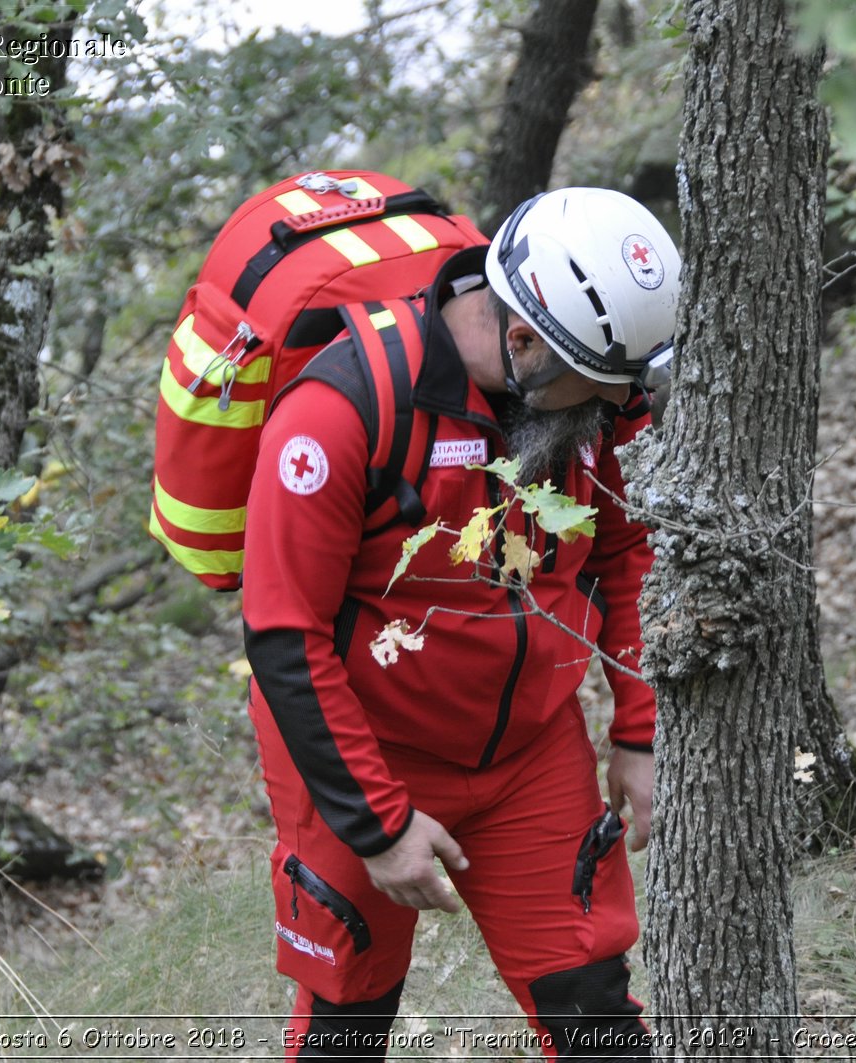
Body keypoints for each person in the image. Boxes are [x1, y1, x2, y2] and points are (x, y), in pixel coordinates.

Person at [242, 187, 680, 1060]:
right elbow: (285, 635)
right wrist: (378, 822)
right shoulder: (340, 411)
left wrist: (640, 726)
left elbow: (624, 554)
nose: (613, 410)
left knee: (595, 1014)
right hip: (367, 750)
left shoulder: (587, 388)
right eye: (595, 392)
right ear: (521, 340)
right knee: (346, 1024)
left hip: (530, 752)